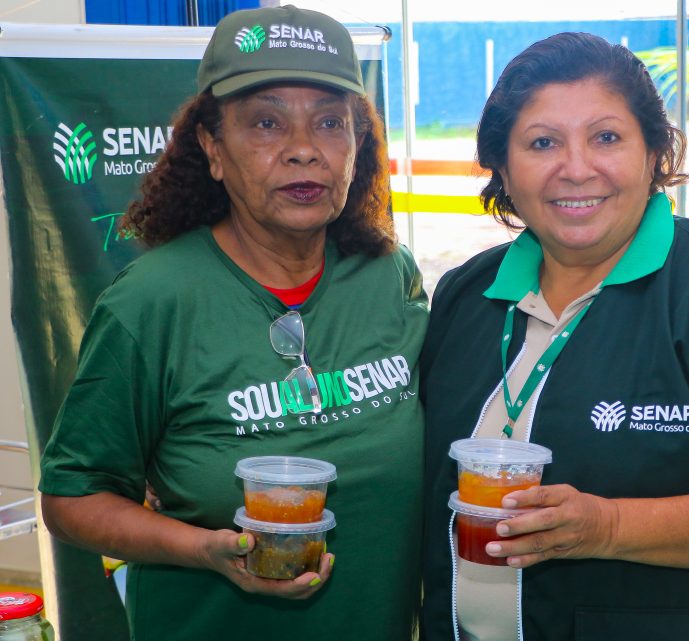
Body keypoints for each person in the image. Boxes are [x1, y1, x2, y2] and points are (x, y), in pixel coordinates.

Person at [420, 32, 689, 641]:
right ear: (502, 167)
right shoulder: (468, 294)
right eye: (542, 143)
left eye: (606, 137)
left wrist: (608, 526)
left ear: (655, 152)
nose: (576, 168)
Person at [39, 6, 427, 641]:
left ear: (359, 145)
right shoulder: (152, 302)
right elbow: (72, 498)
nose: (304, 149)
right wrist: (200, 548)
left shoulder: (388, 276)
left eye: (331, 122)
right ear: (213, 151)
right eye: (267, 123)